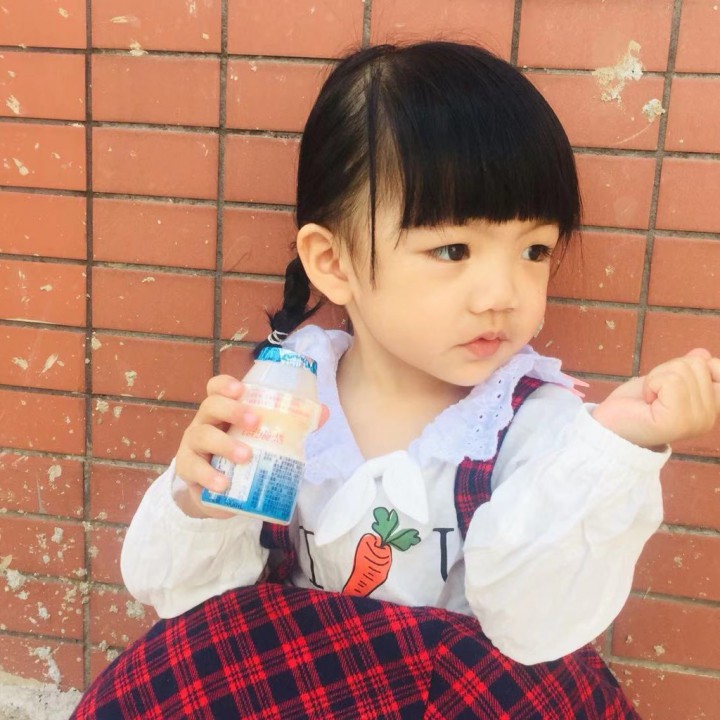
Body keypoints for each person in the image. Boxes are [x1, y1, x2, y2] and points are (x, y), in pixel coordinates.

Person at [118, 40, 718, 704]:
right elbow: (184, 599)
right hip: (292, 689)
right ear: (335, 264)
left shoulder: (534, 426)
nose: (502, 293)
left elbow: (533, 627)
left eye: (534, 250)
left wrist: (612, 453)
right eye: (453, 250)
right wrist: (202, 504)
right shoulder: (287, 393)